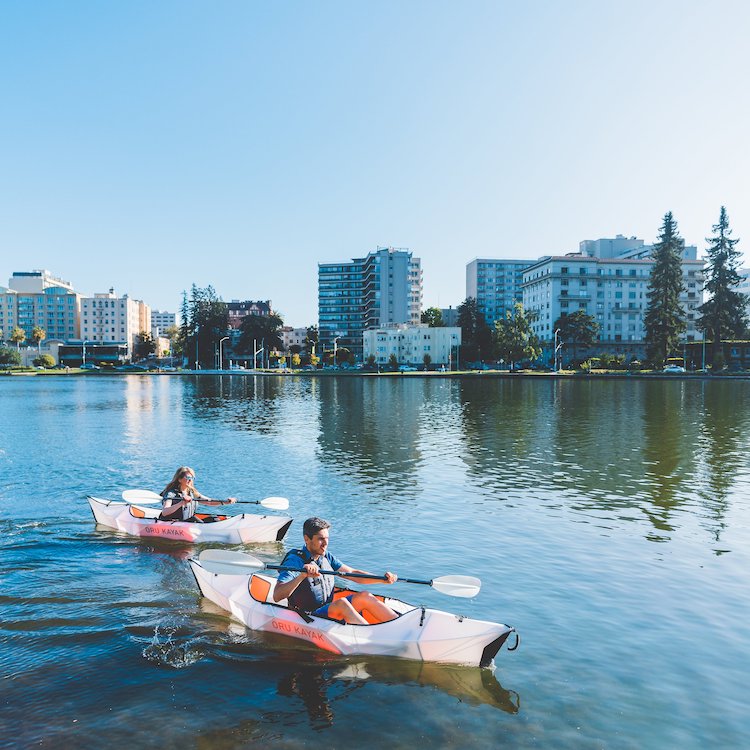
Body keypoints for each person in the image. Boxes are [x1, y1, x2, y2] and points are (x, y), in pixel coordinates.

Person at [273, 517, 399, 624]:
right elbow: (277, 595)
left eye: (327, 538)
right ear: (307, 539)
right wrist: (302, 576)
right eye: (321, 539)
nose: (325, 543)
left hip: (327, 610)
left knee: (365, 596)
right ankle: (372, 637)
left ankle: (399, 625)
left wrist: (382, 580)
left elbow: (353, 573)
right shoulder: (295, 560)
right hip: (308, 616)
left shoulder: (326, 556)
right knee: (342, 603)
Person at [159, 466, 237, 522]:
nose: (190, 480)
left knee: (213, 518)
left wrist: (225, 502)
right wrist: (181, 503)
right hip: (172, 522)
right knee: (194, 519)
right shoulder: (171, 493)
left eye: (192, 478)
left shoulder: (192, 492)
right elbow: (165, 512)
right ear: (179, 479)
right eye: (188, 478)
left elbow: (208, 501)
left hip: (187, 521)